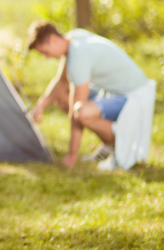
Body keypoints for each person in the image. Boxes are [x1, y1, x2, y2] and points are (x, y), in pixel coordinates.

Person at [27, 21, 155, 170]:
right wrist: (41, 105)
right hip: (115, 92)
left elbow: (77, 110)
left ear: (54, 40)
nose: (47, 57)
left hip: (134, 96)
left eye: (45, 52)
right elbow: (62, 82)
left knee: (81, 113)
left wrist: (72, 153)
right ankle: (108, 145)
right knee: (63, 99)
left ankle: (117, 147)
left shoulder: (78, 58)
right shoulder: (74, 38)